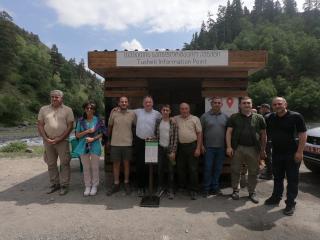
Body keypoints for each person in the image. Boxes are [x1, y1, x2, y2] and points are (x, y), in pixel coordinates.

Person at [264, 97, 307, 216]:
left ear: (285, 104)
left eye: (279, 104)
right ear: (272, 107)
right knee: (277, 177)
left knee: (292, 179)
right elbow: (264, 133)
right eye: (275, 104)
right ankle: (276, 197)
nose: (277, 106)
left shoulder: (296, 116)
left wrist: (300, 152)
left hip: (292, 153)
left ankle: (290, 203)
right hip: (277, 152)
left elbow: (303, 134)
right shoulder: (270, 118)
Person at [226, 96, 267, 203]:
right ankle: (235, 190)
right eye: (244, 103)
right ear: (240, 105)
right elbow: (229, 132)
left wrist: (263, 149)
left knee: (254, 171)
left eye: (248, 103)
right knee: (235, 170)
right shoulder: (234, 117)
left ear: (251, 105)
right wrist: (229, 147)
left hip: (253, 148)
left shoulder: (259, 118)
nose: (246, 105)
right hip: (237, 148)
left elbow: (263, 135)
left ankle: (252, 192)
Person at [37, 90, 74, 195]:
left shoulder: (68, 110)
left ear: (62, 98)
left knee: (64, 163)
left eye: (57, 97)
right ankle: (54, 184)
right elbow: (40, 124)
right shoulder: (43, 109)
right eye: (52, 97)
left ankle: (64, 185)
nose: (54, 98)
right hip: (48, 141)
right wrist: (45, 138)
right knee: (51, 163)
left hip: (63, 141)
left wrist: (60, 138)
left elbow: (70, 126)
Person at [74, 101, 106, 196]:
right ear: (84, 109)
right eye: (87, 108)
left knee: (95, 167)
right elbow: (77, 135)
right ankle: (87, 186)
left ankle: (95, 185)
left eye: (91, 108)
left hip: (95, 145)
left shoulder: (98, 120)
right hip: (83, 145)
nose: (89, 110)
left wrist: (93, 138)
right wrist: (87, 131)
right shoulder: (80, 121)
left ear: (94, 110)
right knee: (86, 167)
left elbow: (102, 133)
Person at [107, 96, 136, 196]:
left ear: (128, 103)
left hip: (128, 143)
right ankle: (116, 184)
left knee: (127, 164)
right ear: (118, 103)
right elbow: (110, 127)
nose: (124, 103)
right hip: (115, 143)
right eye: (122, 102)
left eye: (125, 102)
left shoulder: (132, 114)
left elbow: (135, 126)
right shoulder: (113, 113)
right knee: (116, 164)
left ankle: (126, 182)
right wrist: (108, 140)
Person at [200, 97, 228, 197]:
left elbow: (228, 133)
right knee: (208, 168)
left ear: (221, 105)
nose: (216, 104)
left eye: (218, 103)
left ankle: (215, 188)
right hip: (208, 148)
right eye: (215, 103)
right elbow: (200, 132)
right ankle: (206, 188)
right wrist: (201, 145)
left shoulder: (225, 117)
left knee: (218, 169)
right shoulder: (205, 116)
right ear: (211, 104)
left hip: (221, 148)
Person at [134, 96, 161, 197]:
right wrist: (116, 109)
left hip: (152, 142)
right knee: (140, 164)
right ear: (143, 103)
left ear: (152, 103)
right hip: (140, 140)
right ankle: (141, 187)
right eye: (146, 102)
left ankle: (149, 186)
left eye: (150, 102)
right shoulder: (138, 111)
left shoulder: (157, 114)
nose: (148, 104)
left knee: (150, 165)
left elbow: (165, 120)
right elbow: (126, 111)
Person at [175, 103, 202, 200]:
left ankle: (194, 190)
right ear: (179, 110)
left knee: (193, 169)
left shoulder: (195, 119)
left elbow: (199, 134)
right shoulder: (175, 118)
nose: (184, 110)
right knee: (180, 168)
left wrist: (198, 148)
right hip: (180, 147)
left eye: (186, 108)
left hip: (192, 146)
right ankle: (182, 187)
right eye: (182, 109)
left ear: (189, 109)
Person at [154, 104, 178, 199]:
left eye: (167, 110)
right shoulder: (158, 121)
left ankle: (170, 189)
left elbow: (176, 138)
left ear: (170, 111)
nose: (165, 112)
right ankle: (160, 188)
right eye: (164, 110)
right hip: (160, 148)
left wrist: (174, 151)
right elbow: (156, 134)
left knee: (171, 170)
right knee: (160, 169)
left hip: (170, 149)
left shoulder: (173, 123)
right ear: (161, 111)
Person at [259, 103, 273, 180]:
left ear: (265, 108)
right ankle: (270, 172)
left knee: (267, 157)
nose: (260, 110)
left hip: (267, 139)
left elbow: (262, 130)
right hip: (272, 139)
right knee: (269, 156)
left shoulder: (266, 117)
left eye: (261, 108)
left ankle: (269, 175)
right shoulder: (273, 115)